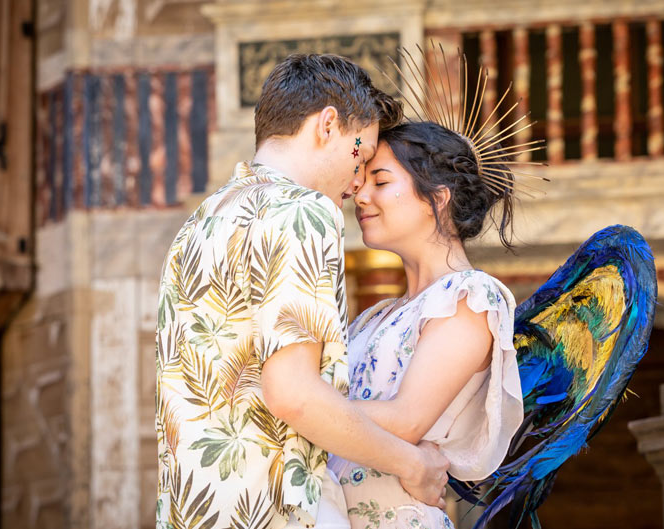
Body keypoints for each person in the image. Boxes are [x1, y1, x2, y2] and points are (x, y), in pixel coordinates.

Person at [155, 54, 450, 529]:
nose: (358, 183)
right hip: (274, 509)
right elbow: (294, 395)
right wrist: (412, 463)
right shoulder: (303, 211)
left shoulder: (200, 222)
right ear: (327, 125)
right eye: (362, 151)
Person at [328, 121, 525, 529]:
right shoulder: (375, 315)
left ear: (438, 198)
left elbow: (406, 420)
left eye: (380, 182)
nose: (360, 196)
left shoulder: (471, 297)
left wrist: (295, 403)